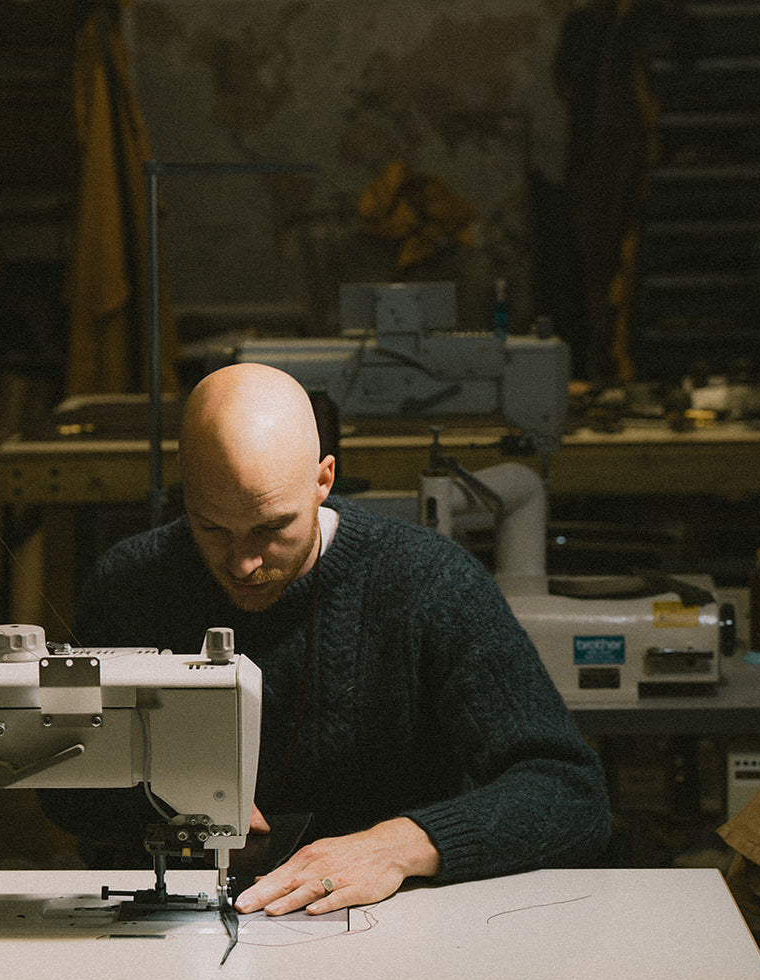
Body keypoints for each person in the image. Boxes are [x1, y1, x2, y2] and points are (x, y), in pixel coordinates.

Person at [38, 363, 609, 916]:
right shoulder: (129, 583)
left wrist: (402, 844)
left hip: (392, 934)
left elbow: (571, 792)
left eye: (271, 528)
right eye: (211, 527)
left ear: (323, 480)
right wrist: (169, 816)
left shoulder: (428, 585)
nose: (243, 562)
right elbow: (63, 784)